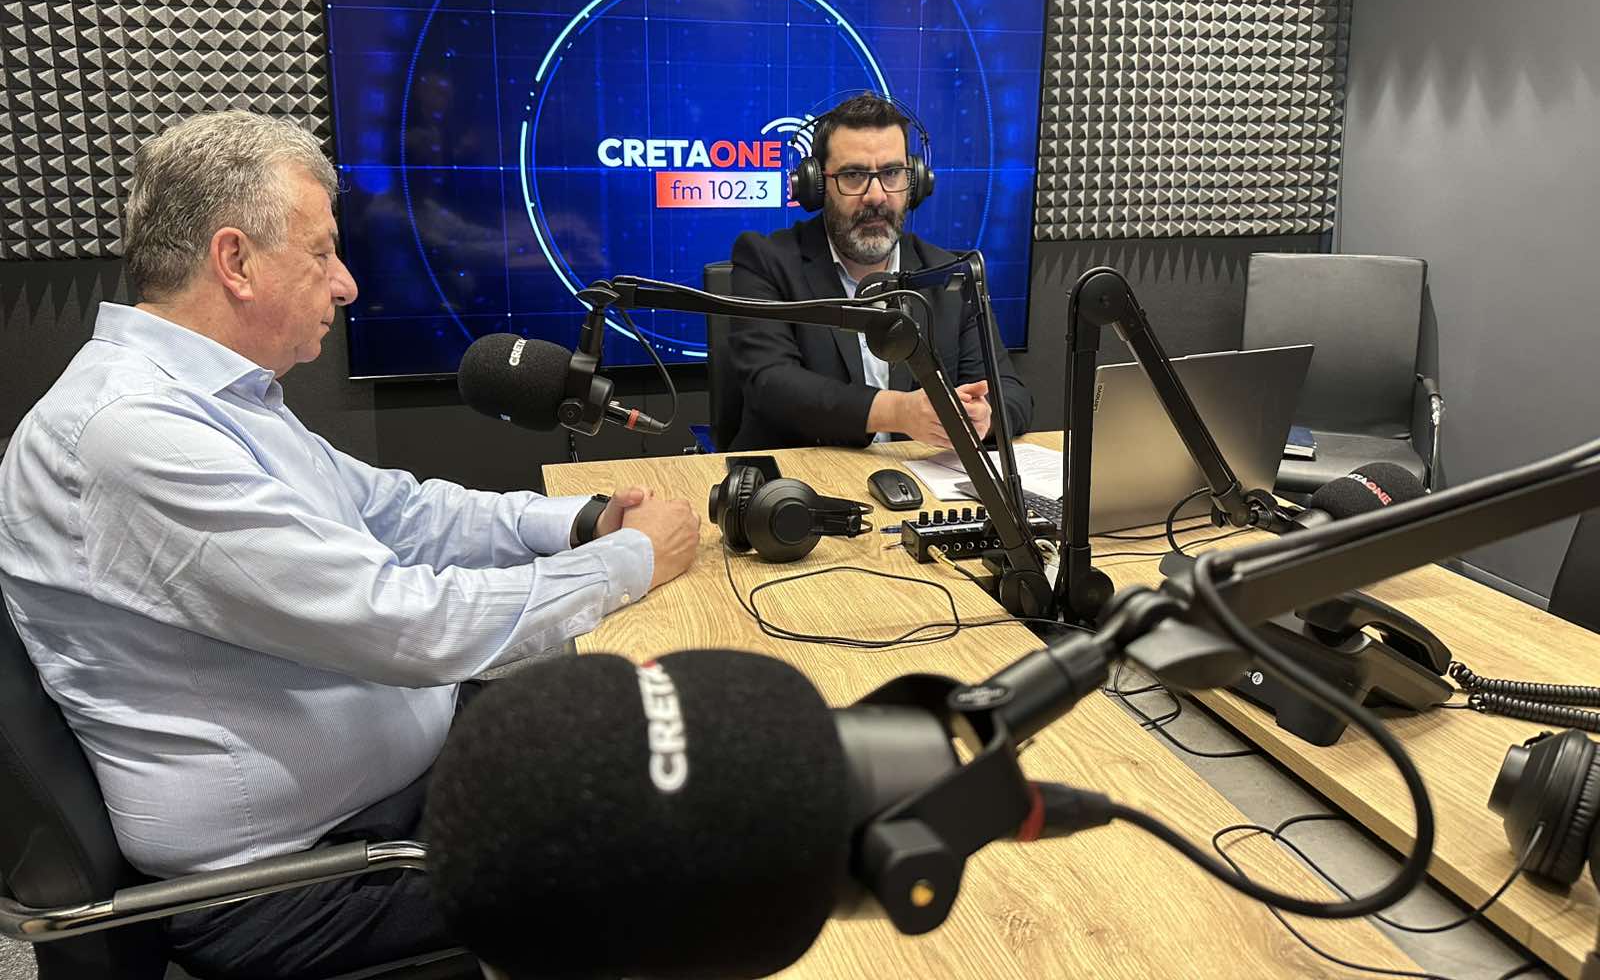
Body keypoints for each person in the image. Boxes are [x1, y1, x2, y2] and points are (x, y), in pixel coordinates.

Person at [0, 110, 701, 978]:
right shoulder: (132, 433)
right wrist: (631, 561)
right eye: (322, 253)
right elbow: (407, 625)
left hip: (398, 794)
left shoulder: (215, 398)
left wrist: (576, 523)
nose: (346, 285)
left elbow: (397, 511)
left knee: (656, 744)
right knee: (671, 860)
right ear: (235, 261)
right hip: (308, 879)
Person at [728, 93, 1033, 450]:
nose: (876, 196)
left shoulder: (949, 276)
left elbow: (1011, 394)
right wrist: (898, 412)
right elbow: (771, 385)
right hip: (803, 477)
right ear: (817, 185)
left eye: (891, 173)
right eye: (854, 175)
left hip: (917, 478)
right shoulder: (766, 261)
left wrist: (984, 416)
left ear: (915, 181)